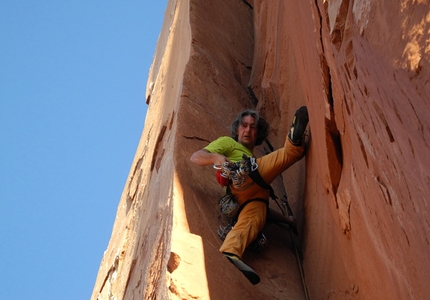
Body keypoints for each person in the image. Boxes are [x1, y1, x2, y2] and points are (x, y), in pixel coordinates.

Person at [190, 106, 309, 284]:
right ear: (237, 129)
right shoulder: (228, 143)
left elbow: (267, 211)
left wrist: (287, 221)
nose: (248, 130)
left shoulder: (254, 156)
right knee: (289, 154)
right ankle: (294, 139)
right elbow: (196, 157)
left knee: (255, 218)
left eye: (253, 127)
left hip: (253, 197)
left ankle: (230, 251)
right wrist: (217, 158)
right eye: (244, 125)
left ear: (258, 133)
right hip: (244, 176)